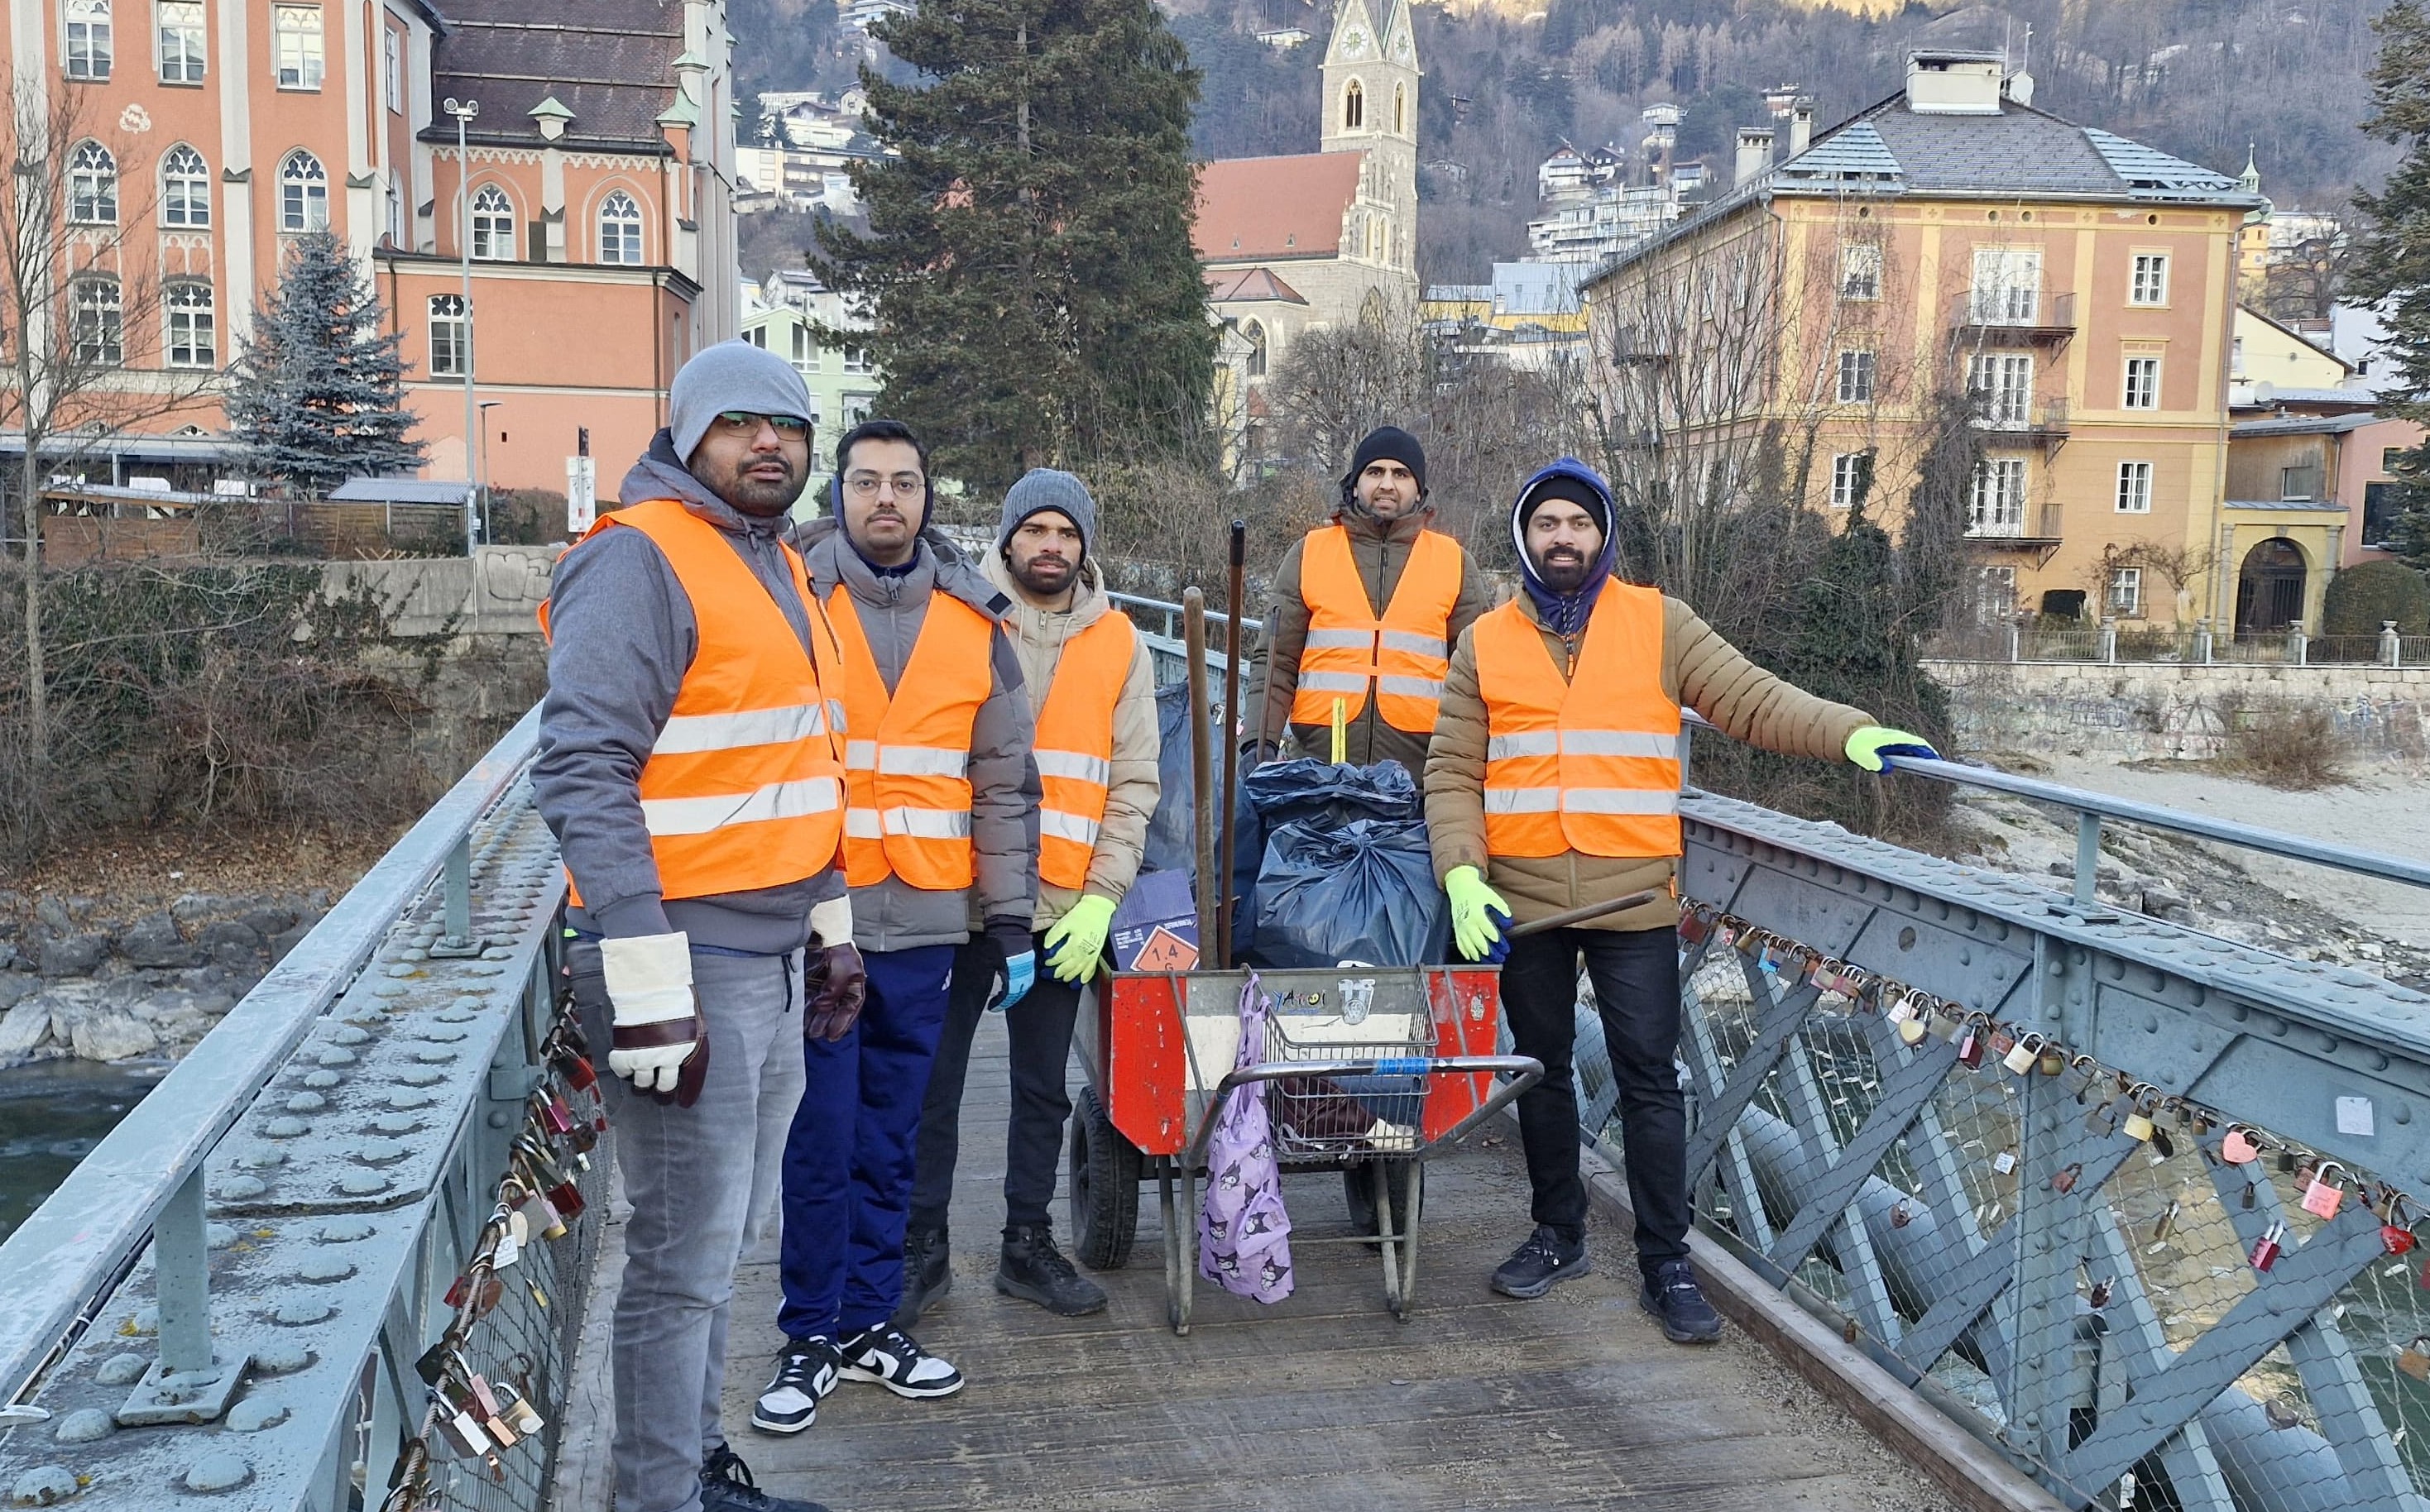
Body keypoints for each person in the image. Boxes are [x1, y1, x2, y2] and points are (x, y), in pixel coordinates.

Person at [1422, 458, 1937, 1341]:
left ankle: (1667, 1261)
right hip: (1525, 906)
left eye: (1578, 524)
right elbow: (1453, 771)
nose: (1563, 538)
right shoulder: (1485, 641)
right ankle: (1558, 1231)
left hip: (1632, 900)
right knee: (1541, 1073)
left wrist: (1851, 732)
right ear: (1523, 537)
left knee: (1650, 1082)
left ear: (1604, 535)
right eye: (1546, 523)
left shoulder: (1662, 623)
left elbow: (1754, 702)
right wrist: (1463, 874)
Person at [534, 340, 859, 1512]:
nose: (768, 442)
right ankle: (659, 1497)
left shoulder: (774, 562)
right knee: (679, 1261)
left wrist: (832, 924)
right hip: (685, 957)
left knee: (719, 1249)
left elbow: (794, 763)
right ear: (686, 437)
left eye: (789, 425)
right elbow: (581, 767)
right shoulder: (638, 561)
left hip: (765, 956)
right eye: (738, 424)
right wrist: (642, 969)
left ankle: (690, 1470)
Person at [753, 419, 1040, 1435]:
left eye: (905, 483)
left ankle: (872, 1320)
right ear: (840, 493)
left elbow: (1005, 784)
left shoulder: (976, 625)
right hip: (820, 921)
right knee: (818, 1134)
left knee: (896, 1133)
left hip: (925, 922)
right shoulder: (791, 600)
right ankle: (808, 1331)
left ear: (928, 497)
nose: (887, 499)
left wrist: (1009, 920)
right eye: (867, 481)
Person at [899, 469, 1160, 1323]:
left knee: (1042, 1083)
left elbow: (1133, 784)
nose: (1051, 547)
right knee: (934, 1083)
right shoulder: (960, 619)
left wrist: (1102, 898)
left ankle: (1025, 1243)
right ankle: (922, 1246)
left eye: (1067, 533)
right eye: (1036, 530)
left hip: (1061, 909)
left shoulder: (1121, 642)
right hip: (959, 898)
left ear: (1085, 547)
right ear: (1008, 539)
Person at [1244, 425, 1493, 773]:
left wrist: (1471, 765)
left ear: (1419, 488)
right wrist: (1258, 745)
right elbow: (1276, 661)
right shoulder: (1309, 553)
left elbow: (1476, 679)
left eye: (1401, 474)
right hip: (1319, 775)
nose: (1387, 484)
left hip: (1419, 784)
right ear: (1356, 482)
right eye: (1375, 472)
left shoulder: (1455, 562)